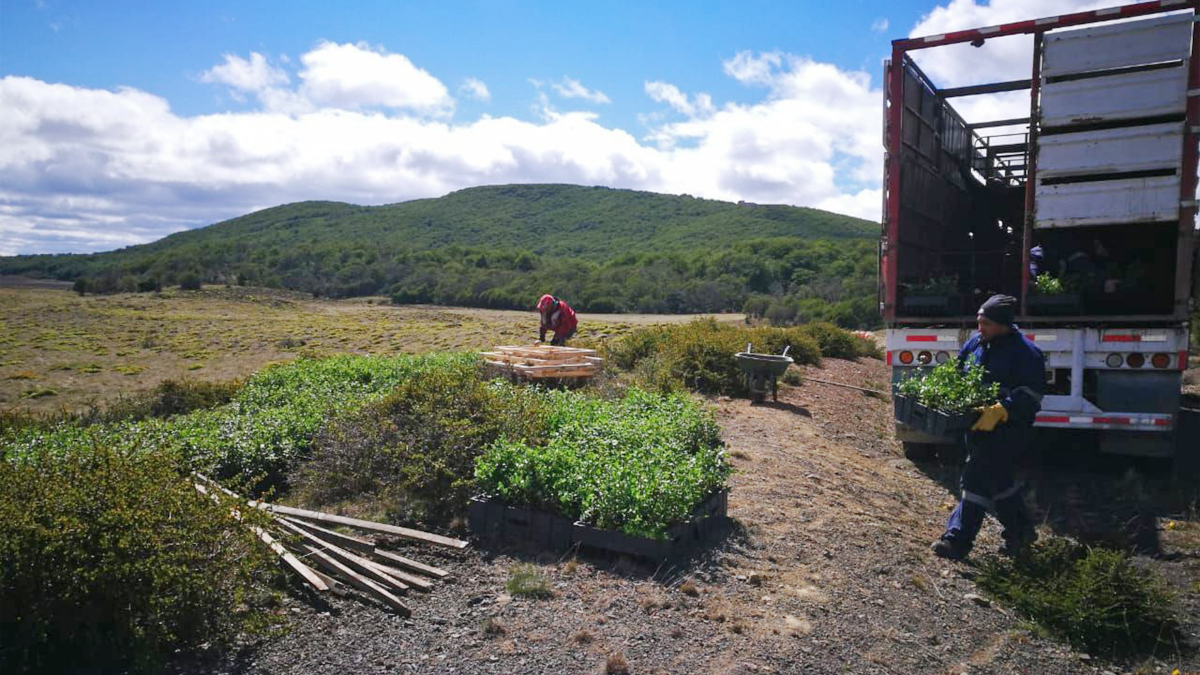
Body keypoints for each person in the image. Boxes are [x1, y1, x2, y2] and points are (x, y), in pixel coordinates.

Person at [932, 294, 1045, 560]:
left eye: (986, 323)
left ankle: (957, 541)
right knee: (997, 480)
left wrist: (1003, 409)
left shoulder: (1026, 353)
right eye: (979, 321)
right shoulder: (975, 344)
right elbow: (958, 375)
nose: (980, 328)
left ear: (1003, 325)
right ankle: (1021, 531)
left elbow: (1032, 396)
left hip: (1008, 430)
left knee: (974, 477)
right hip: (975, 426)